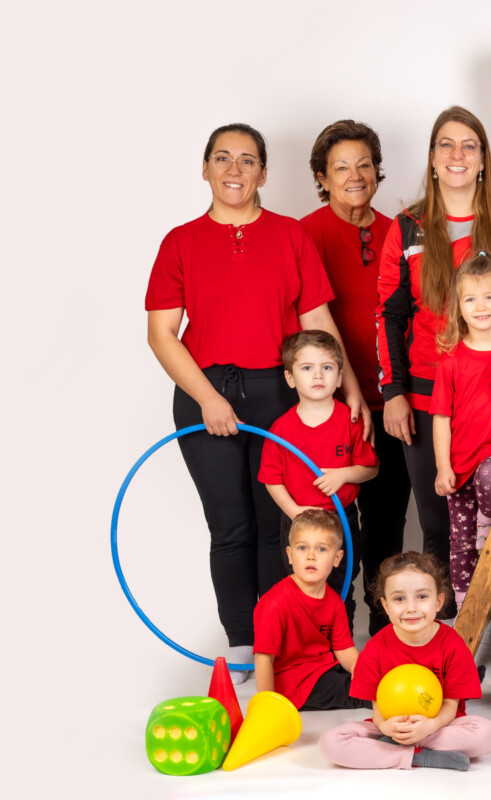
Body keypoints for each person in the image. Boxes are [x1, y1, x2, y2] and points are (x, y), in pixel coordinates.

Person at [146, 123, 367, 681]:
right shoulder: (179, 242)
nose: (234, 169)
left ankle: (279, 637)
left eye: (247, 160)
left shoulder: (290, 236)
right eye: (222, 158)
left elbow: (317, 320)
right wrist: (208, 399)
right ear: (205, 169)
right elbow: (161, 334)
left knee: (279, 523)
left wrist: (351, 388)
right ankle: (243, 641)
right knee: (230, 526)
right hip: (204, 392)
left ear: (264, 174)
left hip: (277, 392)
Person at [376, 106, 491, 619]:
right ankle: (448, 629)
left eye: (469, 144)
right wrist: (393, 392)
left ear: (483, 159)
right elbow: (390, 314)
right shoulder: (408, 226)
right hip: (425, 393)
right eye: (446, 143)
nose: (457, 154)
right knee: (439, 521)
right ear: (433, 158)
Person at [301, 120, 413, 636]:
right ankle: (334, 632)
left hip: (392, 400)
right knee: (331, 526)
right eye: (341, 167)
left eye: (364, 164)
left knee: (388, 521)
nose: (355, 176)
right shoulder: (304, 234)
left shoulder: (400, 231)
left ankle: (383, 630)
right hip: (332, 406)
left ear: (377, 170)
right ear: (322, 177)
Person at [430, 254, 491, 684]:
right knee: (462, 552)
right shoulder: (451, 358)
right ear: (458, 307)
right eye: (471, 299)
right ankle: (473, 652)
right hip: (460, 467)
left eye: (489, 297)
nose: (481, 306)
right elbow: (441, 419)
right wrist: (442, 467)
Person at [318, 552, 491, 771]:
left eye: (422, 596)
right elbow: (377, 708)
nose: (411, 608)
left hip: (440, 725)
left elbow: (450, 705)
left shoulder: (453, 645)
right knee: (330, 743)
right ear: (386, 606)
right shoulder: (375, 648)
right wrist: (385, 727)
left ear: (438, 601)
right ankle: (416, 756)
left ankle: (393, 749)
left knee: (489, 734)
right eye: (399, 599)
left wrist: (430, 726)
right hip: (392, 727)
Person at [258, 331, 378, 626]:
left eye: (327, 367)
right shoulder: (280, 429)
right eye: (307, 368)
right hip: (298, 520)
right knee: (302, 586)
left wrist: (343, 475)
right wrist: (294, 512)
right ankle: (306, 647)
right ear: (290, 378)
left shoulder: (350, 420)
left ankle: (339, 646)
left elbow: (370, 468)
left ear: (339, 378)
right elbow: (272, 479)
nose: (318, 375)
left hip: (340, 518)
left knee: (341, 584)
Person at [253, 509, 368, 711]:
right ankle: (386, 701)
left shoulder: (334, 601)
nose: (311, 556)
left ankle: (383, 687)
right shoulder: (274, 603)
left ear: (337, 558)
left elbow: (344, 649)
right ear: (290, 555)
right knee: (349, 691)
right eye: (302, 548)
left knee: (369, 670)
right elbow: (263, 658)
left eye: (321, 549)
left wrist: (362, 671)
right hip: (293, 681)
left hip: (322, 668)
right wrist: (268, 705)